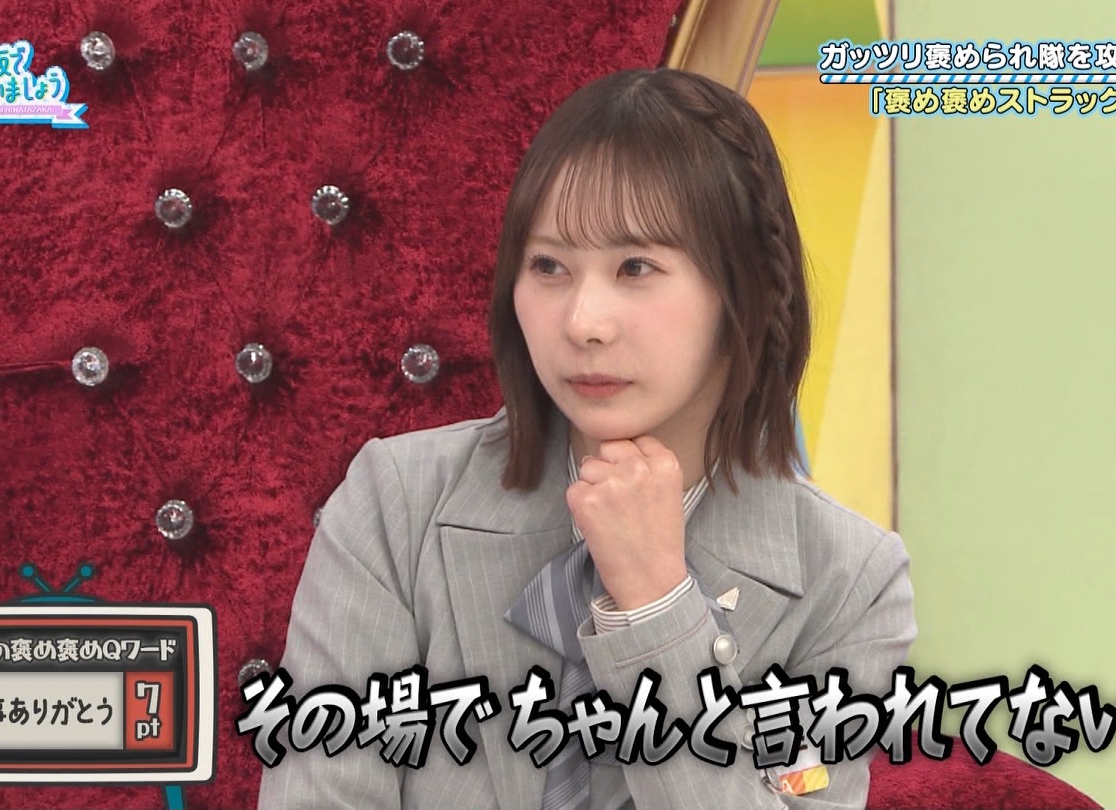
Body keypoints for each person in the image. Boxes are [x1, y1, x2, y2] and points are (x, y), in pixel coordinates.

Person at [258, 67, 915, 809]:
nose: (583, 323)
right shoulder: (397, 503)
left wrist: (658, 610)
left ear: (746, 294)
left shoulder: (850, 580)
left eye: (635, 267)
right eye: (549, 267)